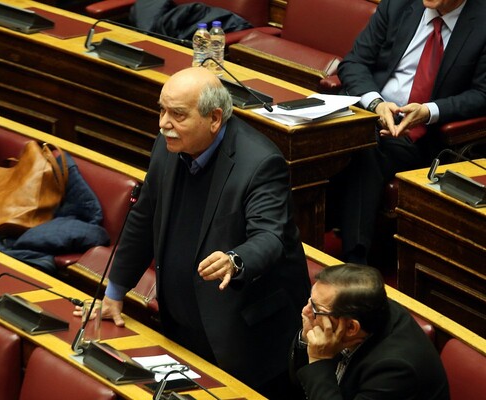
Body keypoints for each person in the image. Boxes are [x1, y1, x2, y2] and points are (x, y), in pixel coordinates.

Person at [79, 66, 310, 397]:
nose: (163, 123)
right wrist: (114, 294)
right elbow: (144, 218)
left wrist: (236, 260)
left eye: (177, 114)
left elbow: (271, 237)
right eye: (161, 110)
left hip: (245, 340)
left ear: (214, 118)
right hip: (181, 326)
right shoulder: (168, 145)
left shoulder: (260, 163)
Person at [329, 0, 486, 264]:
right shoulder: (398, 5)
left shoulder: (481, 22)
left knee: (366, 147)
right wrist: (376, 103)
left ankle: (354, 262)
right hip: (370, 111)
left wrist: (429, 111)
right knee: (325, 136)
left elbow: (482, 94)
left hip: (422, 135)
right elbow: (354, 62)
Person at [289, 263, 450, 399]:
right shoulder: (360, 309)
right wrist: (306, 338)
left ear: (351, 328)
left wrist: (319, 359)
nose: (305, 311)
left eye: (316, 309)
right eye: (311, 300)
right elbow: (297, 384)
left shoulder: (394, 370)